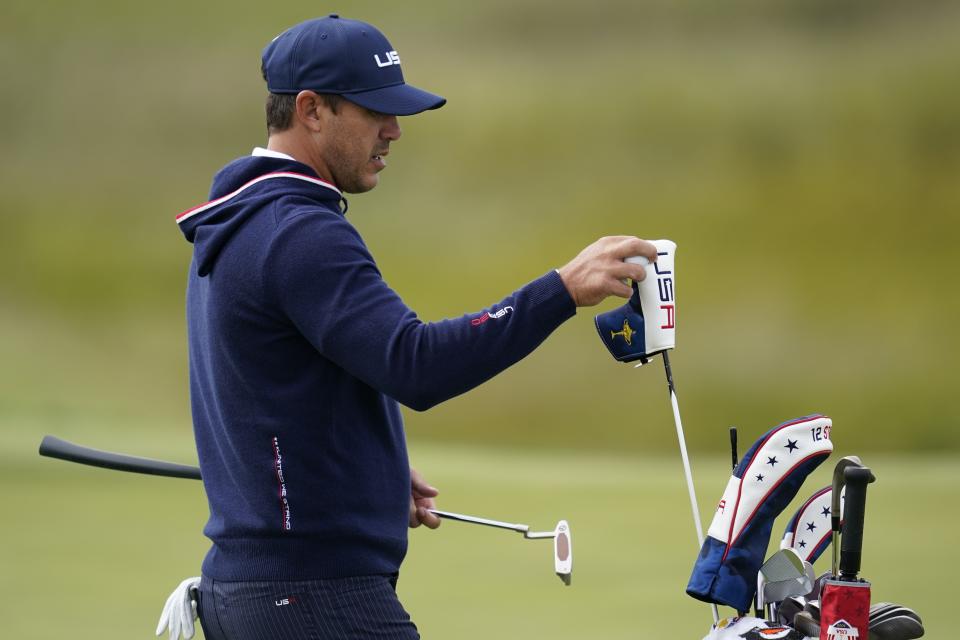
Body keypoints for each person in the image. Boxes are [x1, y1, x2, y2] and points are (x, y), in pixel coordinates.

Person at [176, 14, 657, 640]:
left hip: (257, 593)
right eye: (374, 111)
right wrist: (560, 291)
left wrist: (360, 470)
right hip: (314, 599)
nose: (394, 131)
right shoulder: (298, 232)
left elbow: (274, 389)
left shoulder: (245, 219)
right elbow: (417, 363)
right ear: (312, 110)